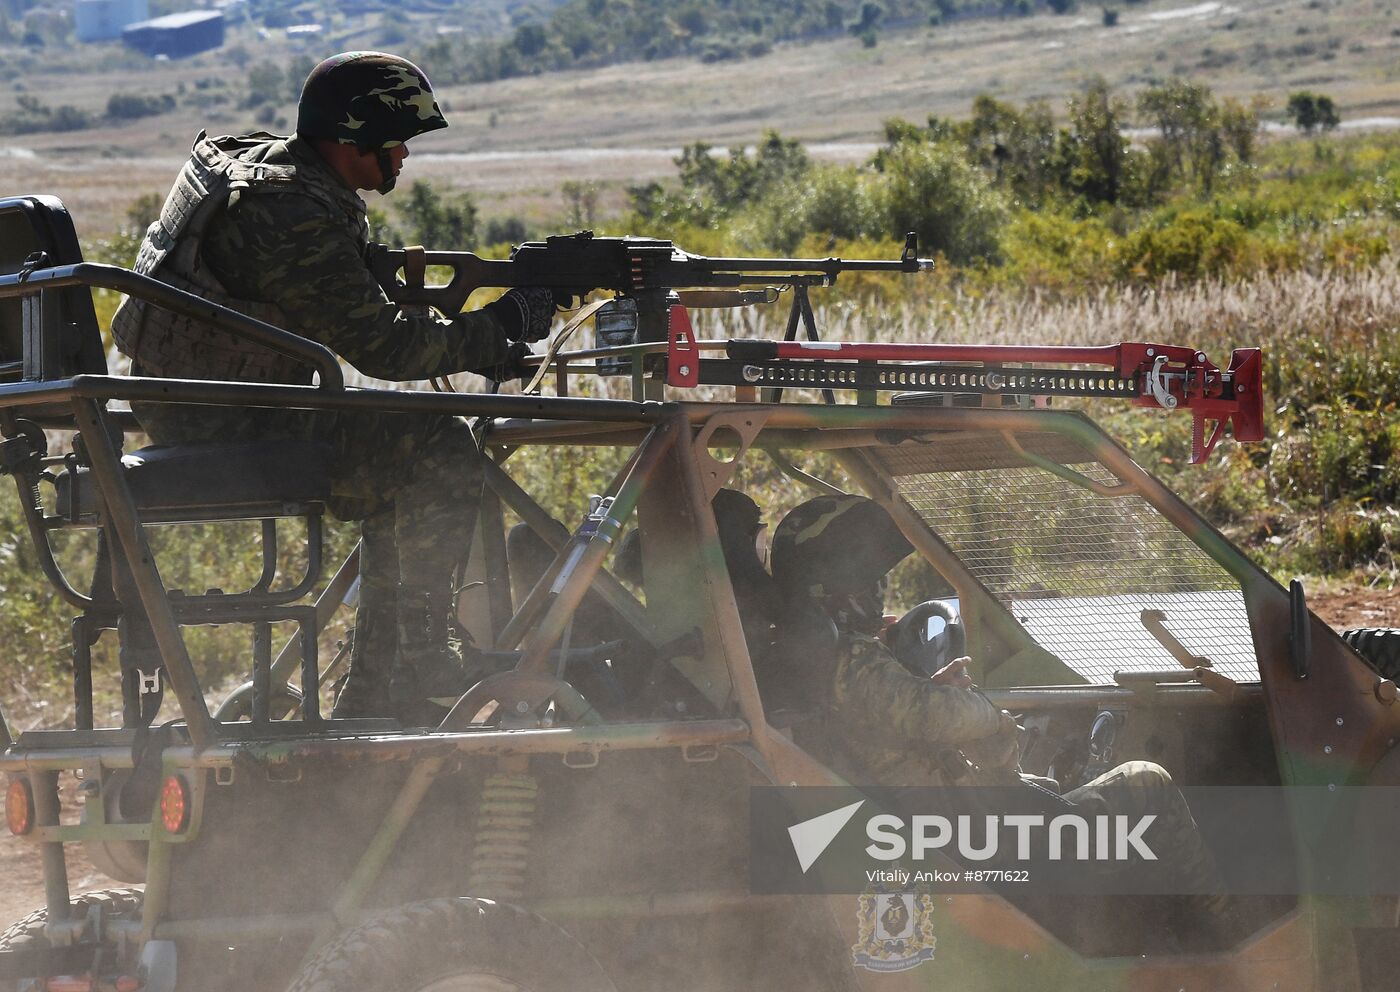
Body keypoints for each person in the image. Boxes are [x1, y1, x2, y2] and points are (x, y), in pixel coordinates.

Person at [111, 51, 560, 721]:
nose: (405, 154)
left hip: (196, 406)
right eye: (396, 139)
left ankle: (377, 690)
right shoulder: (292, 212)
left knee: (395, 457)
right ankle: (424, 655)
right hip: (232, 424)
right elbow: (386, 348)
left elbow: (325, 300)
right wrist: (502, 325)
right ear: (353, 139)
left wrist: (472, 334)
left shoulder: (263, 170)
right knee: (434, 445)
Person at [768, 494, 1232, 939]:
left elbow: (923, 723)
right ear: (839, 586)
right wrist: (984, 714)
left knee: (1060, 790)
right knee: (1146, 781)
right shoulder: (853, 664)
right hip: (976, 846)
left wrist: (949, 702)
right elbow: (937, 715)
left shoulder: (813, 665)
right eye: (867, 579)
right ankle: (1228, 937)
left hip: (948, 834)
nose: (877, 591)